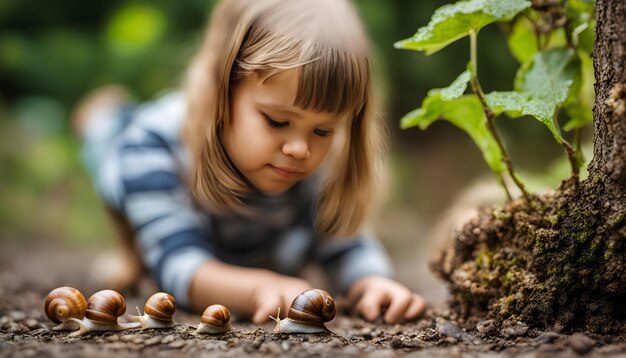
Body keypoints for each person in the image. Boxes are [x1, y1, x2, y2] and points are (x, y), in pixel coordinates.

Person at [73, 0, 425, 325]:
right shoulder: (151, 146)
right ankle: (105, 117)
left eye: (323, 130)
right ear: (221, 90)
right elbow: (178, 265)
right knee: (112, 154)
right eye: (276, 121)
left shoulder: (319, 155)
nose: (300, 149)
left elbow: (344, 242)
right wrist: (259, 287)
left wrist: (372, 281)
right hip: (144, 159)